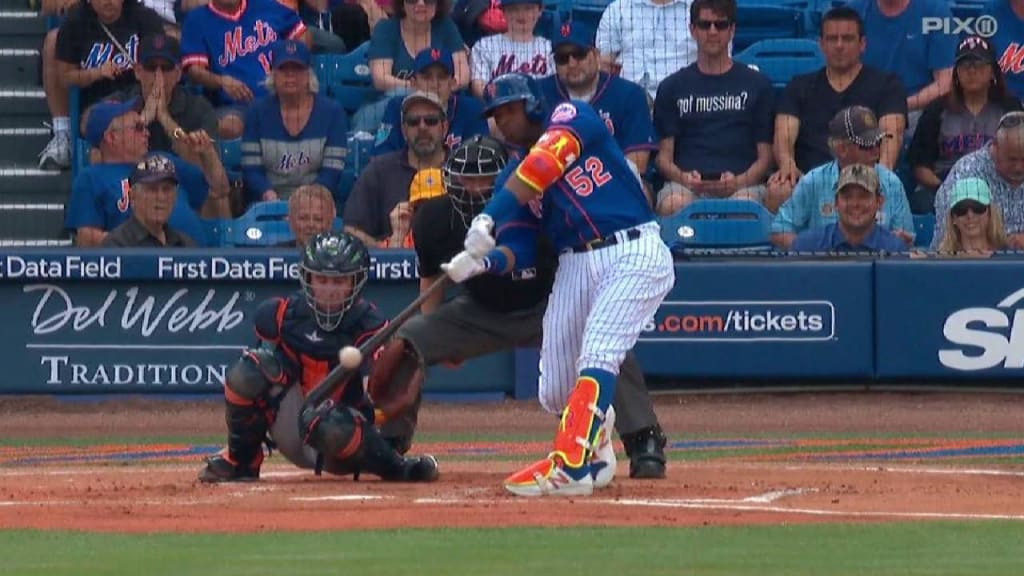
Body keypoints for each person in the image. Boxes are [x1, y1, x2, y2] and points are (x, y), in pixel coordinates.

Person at [372, 135, 671, 479]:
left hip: (548, 306)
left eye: (485, 179)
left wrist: (488, 262)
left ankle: (643, 439)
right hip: (480, 313)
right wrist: (439, 341)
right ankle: (390, 441)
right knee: (408, 338)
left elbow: (544, 258)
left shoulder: (538, 210)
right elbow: (430, 286)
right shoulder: (434, 219)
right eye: (466, 179)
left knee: (604, 340)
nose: (474, 189)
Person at [441, 74, 676, 496]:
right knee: (554, 391)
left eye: (510, 109)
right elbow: (522, 246)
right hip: (574, 264)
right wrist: (483, 263)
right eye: (496, 115)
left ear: (532, 104)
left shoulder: (573, 116)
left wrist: (487, 216)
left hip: (631, 248)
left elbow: (544, 164)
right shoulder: (511, 177)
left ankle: (572, 465)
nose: (504, 122)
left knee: (600, 351)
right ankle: (598, 452)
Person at [198, 232, 440, 484]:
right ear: (308, 279)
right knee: (246, 373)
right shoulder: (279, 314)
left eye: (339, 282)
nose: (329, 290)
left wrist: (378, 413)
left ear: (355, 282)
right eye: (322, 280)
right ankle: (241, 463)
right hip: (293, 427)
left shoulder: (372, 327)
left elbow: (377, 396)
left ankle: (396, 468)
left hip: (345, 439)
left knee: (329, 423)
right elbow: (263, 375)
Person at [765, 6, 907, 212]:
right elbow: (783, 135)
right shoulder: (799, 86)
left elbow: (892, 135)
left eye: (847, 39)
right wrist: (787, 164)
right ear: (821, 44)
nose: (839, 45)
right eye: (832, 39)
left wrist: (879, 176)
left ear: (862, 44)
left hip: (863, 179)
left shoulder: (887, 85)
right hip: (810, 181)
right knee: (779, 190)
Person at [653, 0, 775, 216]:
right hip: (685, 187)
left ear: (732, 30)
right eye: (704, 24)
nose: (712, 32)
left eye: (720, 25)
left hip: (744, 186)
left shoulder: (758, 84)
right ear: (692, 30)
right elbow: (663, 158)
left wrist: (738, 182)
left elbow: (765, 158)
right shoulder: (671, 87)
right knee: (673, 205)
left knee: (742, 209)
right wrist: (685, 179)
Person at [65, 100, 230, 247]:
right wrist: (146, 243)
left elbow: (220, 189)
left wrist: (207, 154)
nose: (147, 132)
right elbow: (87, 239)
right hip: (139, 264)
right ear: (111, 137)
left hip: (194, 259)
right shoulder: (91, 177)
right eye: (138, 128)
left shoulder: (162, 159)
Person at [40, 0, 166, 169]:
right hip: (95, 102)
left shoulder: (145, 18)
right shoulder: (76, 21)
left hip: (138, 97)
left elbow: (161, 69)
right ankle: (65, 137)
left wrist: (145, 75)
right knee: (100, 141)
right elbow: (64, 77)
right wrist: (96, 73)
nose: (109, 2)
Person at [770, 106, 915, 250]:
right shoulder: (813, 181)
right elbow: (779, 231)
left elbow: (907, 238)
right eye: (867, 146)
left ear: (879, 200)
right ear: (842, 149)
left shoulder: (891, 182)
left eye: (878, 143)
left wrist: (901, 243)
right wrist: (811, 252)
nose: (876, 152)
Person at [907, 36, 1022, 214]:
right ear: (956, 72)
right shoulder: (937, 109)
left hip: (1000, 185)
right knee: (921, 201)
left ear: (993, 71)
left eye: (979, 65)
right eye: (965, 65)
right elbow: (920, 165)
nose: (971, 71)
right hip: (945, 186)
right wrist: (947, 188)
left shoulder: (1009, 108)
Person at [181, 0, 310, 139]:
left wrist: (293, 63)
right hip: (236, 106)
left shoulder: (265, 5)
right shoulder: (197, 19)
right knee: (230, 127)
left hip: (280, 98)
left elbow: (301, 33)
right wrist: (221, 81)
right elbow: (194, 70)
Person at [240, 39, 349, 204]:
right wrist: (267, 194)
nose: (290, 74)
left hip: (317, 201)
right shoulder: (257, 112)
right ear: (273, 74)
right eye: (283, 69)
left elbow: (332, 171)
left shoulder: (332, 112)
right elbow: (252, 168)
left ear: (308, 75)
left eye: (297, 68)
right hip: (268, 202)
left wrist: (308, 201)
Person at [344, 91, 449, 247]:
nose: (422, 127)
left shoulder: (463, 169)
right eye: (413, 121)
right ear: (404, 130)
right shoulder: (379, 170)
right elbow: (351, 229)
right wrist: (388, 253)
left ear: (444, 127)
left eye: (431, 120)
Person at [104, 33, 220, 165]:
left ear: (178, 74)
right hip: (131, 181)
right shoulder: (121, 102)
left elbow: (208, 167)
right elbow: (91, 134)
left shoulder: (199, 108)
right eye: (151, 67)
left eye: (166, 68)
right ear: (137, 71)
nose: (158, 75)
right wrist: (142, 120)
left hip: (181, 183)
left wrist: (166, 120)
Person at [930, 111, 1024, 251]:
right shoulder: (965, 173)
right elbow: (948, 242)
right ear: (995, 146)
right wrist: (1004, 244)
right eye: (1012, 159)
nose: (1019, 167)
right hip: (975, 264)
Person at [372, 48, 488, 157]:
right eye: (427, 77)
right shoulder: (397, 107)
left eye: (442, 77)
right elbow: (380, 155)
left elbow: (480, 157)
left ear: (452, 83)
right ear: (413, 84)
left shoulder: (472, 109)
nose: (434, 84)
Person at [789, 163, 908, 253]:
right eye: (847, 197)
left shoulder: (895, 249)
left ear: (879, 202)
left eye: (863, 196)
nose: (855, 204)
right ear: (836, 202)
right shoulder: (806, 245)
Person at [102, 153, 199, 247]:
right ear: (132, 196)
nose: (160, 197)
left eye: (166, 189)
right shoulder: (116, 245)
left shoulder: (185, 245)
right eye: (152, 189)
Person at [469, 0, 551, 98]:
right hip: (500, 109)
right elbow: (479, 87)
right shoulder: (484, 46)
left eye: (528, 9)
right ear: (504, 12)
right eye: (514, 10)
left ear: (540, 11)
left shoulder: (550, 48)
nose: (521, 15)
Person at [935, 177, 1008, 256]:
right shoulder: (941, 259)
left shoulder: (1009, 255)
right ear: (953, 218)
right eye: (961, 210)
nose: (970, 216)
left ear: (990, 213)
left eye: (977, 208)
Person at [378, 167, 446, 248]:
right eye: (422, 206)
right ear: (412, 210)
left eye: (435, 205)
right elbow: (389, 259)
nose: (429, 213)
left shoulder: (460, 238)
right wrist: (398, 236)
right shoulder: (396, 241)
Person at [282, 183, 338, 248]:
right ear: (290, 219)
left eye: (318, 219)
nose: (311, 225)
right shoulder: (274, 253)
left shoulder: (346, 256)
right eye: (303, 218)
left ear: (331, 220)